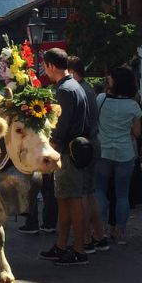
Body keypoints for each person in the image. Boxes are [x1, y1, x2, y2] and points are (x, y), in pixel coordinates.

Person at [39, 48, 91, 266]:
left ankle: (78, 249)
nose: (45, 71)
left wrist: (51, 147)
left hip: (67, 153)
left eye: (45, 66)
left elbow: (62, 125)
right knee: (67, 200)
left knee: (72, 200)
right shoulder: (75, 86)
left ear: (51, 66)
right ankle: (63, 245)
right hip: (75, 150)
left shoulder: (65, 90)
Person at [94, 66, 142, 246]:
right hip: (125, 153)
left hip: (104, 151)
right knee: (122, 194)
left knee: (99, 190)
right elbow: (137, 133)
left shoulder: (101, 99)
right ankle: (119, 231)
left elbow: (93, 121)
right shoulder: (133, 105)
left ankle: (103, 226)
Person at [67, 55, 105, 252]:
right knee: (90, 194)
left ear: (72, 72)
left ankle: (87, 240)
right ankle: (99, 236)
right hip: (93, 143)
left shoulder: (78, 90)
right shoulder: (89, 89)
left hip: (82, 147)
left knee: (81, 195)